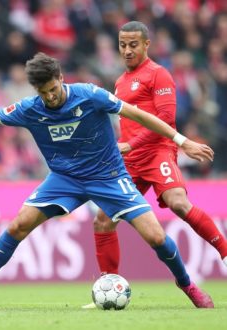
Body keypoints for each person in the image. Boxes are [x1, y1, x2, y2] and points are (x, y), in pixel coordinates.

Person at [0, 52, 215, 311]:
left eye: (53, 89)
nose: (50, 97)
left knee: (156, 237)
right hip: (64, 179)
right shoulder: (30, 108)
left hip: (108, 176)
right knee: (18, 225)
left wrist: (180, 140)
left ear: (61, 78)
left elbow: (138, 113)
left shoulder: (90, 95)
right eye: (43, 92)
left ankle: (188, 287)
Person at [85, 21, 227, 302]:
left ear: (147, 44)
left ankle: (224, 251)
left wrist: (131, 144)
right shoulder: (120, 82)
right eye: (122, 45)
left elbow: (166, 119)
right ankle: (107, 284)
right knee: (102, 220)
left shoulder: (158, 75)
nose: (127, 50)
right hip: (129, 162)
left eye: (133, 45)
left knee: (178, 202)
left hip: (157, 152)